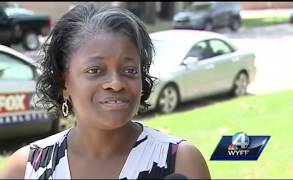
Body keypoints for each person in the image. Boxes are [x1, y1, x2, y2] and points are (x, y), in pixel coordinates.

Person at [1, 3, 211, 179]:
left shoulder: (180, 162)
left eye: (129, 70)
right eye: (95, 70)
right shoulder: (25, 169)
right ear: (64, 82)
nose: (116, 83)